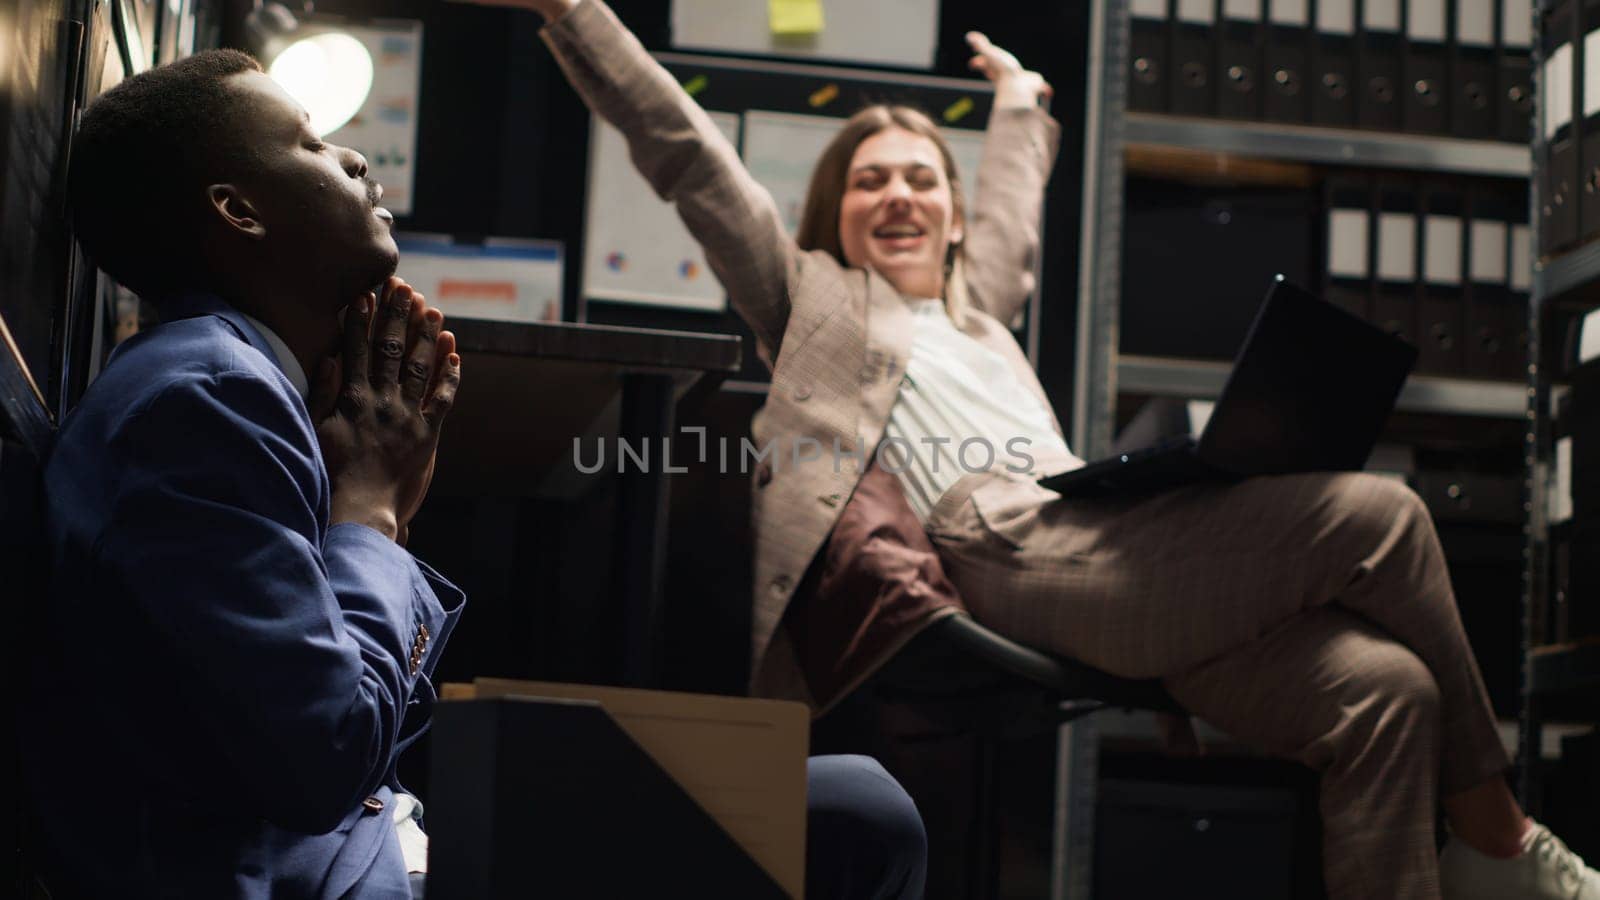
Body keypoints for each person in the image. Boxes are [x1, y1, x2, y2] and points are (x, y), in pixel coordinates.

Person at [478, 1, 1600, 897]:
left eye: (922, 178)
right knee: (1383, 513)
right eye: (869, 181)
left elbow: (1015, 196)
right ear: (832, 217)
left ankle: (1457, 858)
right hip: (1008, 547)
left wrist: (1018, 98)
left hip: (1114, 548)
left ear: (954, 218)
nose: (899, 194)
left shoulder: (981, 309)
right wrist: (572, 9)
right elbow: (685, 156)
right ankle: (1500, 838)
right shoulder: (810, 300)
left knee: (1386, 694)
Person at [23, 51, 464, 897]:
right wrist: (371, 512)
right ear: (239, 211)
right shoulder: (209, 402)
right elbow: (325, 755)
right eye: (309, 143)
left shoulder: (240, 387)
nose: (354, 158)